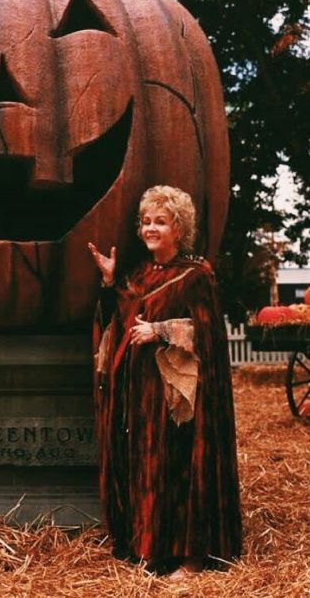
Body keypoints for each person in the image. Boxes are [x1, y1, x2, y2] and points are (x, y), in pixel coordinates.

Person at [88, 185, 241, 581]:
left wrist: (161, 331)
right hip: (141, 393)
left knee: (179, 469)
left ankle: (190, 558)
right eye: (146, 222)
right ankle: (150, 548)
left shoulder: (196, 274)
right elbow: (119, 320)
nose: (150, 228)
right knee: (149, 467)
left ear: (179, 228)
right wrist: (109, 282)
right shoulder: (138, 274)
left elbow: (207, 334)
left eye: (160, 221)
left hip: (180, 397)